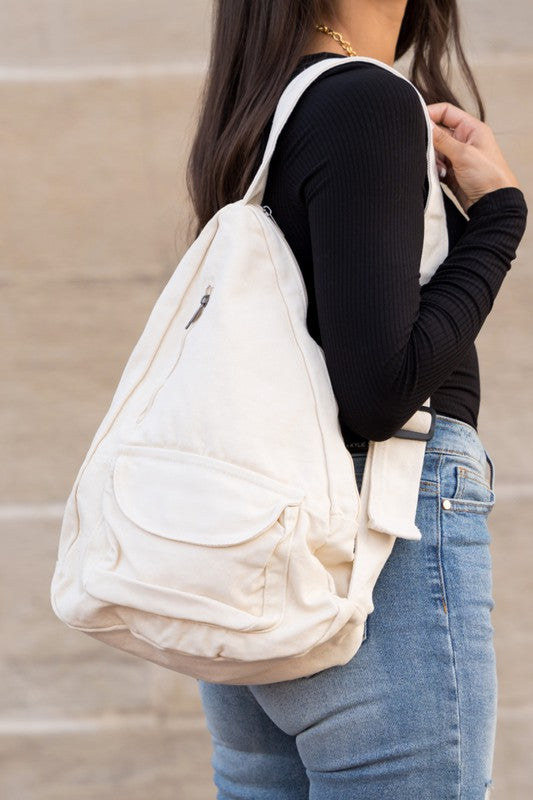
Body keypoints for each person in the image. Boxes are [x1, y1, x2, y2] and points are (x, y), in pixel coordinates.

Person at [185, 1, 528, 797]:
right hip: (377, 548)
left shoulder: (255, 119)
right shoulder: (363, 101)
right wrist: (499, 219)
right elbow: (378, 391)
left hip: (256, 570)